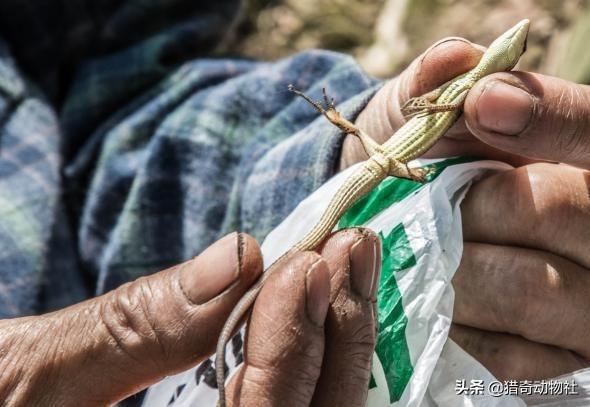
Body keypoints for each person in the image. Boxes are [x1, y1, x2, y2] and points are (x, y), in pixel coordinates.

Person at [0, 3, 588, 405]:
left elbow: (116, 88)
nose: (518, 44)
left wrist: (332, 156)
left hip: (372, 167)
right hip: (387, 164)